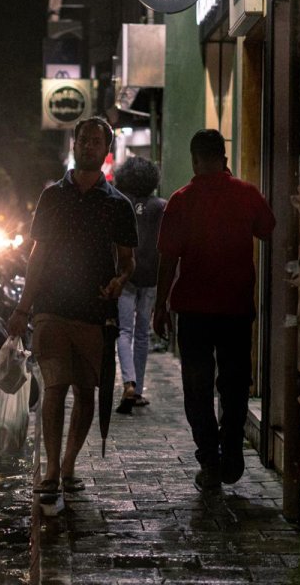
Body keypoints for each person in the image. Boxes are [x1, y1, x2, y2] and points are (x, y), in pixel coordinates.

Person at [7, 116, 137, 513]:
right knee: (55, 386)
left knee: (85, 391)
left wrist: (119, 281)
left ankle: (68, 465)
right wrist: (23, 307)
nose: (89, 146)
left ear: (106, 150)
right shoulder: (53, 197)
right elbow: (38, 254)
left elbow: (128, 261)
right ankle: (49, 470)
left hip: (93, 311)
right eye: (83, 140)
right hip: (51, 308)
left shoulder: (118, 204)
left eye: (97, 141)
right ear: (74, 144)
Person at [152, 129, 275, 491]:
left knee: (198, 387)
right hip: (236, 309)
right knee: (235, 383)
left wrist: (160, 305)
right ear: (224, 157)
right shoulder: (247, 194)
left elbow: (167, 258)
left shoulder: (181, 200)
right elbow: (268, 229)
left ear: (194, 160)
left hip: (193, 312)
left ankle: (209, 458)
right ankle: (232, 449)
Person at [112, 156, 167, 414]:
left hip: (126, 273)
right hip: (152, 275)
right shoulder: (161, 206)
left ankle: (129, 383)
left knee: (125, 331)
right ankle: (139, 389)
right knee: (143, 333)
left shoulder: (120, 203)